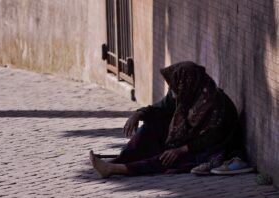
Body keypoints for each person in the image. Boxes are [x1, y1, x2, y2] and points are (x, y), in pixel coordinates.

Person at [89, 61, 252, 178]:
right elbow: (162, 107)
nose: (172, 92)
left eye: (174, 87)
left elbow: (211, 139)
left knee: (169, 158)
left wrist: (181, 149)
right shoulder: (187, 92)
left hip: (212, 150)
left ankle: (117, 169)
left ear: (186, 83)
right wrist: (139, 113)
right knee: (152, 125)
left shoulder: (214, 104)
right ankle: (120, 160)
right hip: (190, 139)